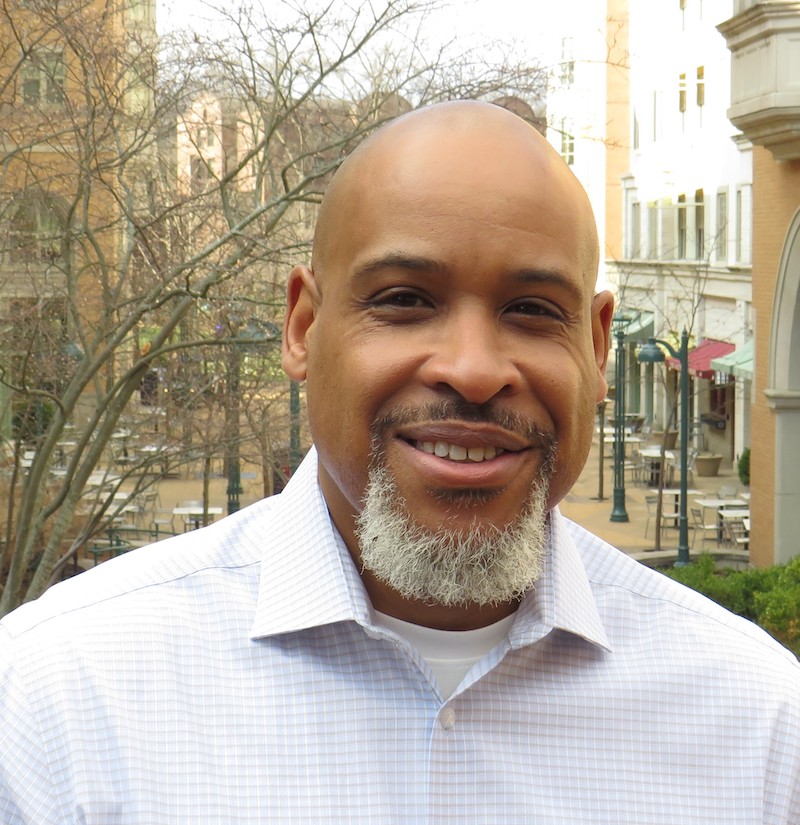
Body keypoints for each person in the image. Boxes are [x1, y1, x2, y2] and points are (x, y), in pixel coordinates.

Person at [0, 101, 798, 824]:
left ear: (595, 348)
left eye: (531, 310)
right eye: (405, 299)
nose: (475, 369)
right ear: (303, 328)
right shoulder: (54, 706)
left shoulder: (760, 728)